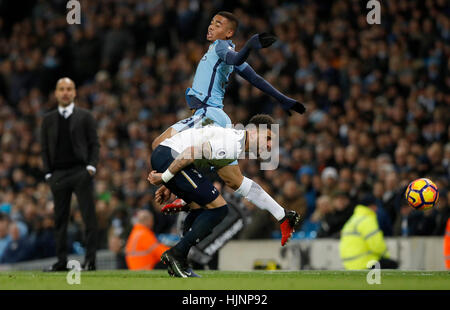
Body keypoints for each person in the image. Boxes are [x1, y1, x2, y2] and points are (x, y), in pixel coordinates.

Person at [151, 11, 305, 212]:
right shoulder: (223, 51)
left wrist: (250, 45)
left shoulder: (222, 48)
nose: (211, 26)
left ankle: (188, 195)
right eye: (212, 22)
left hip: (208, 114)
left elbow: (236, 59)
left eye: (218, 24)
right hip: (216, 117)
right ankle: (280, 214)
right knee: (232, 179)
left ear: (229, 32)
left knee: (159, 145)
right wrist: (284, 100)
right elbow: (256, 79)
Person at [148, 114, 300, 277]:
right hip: (169, 156)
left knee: (202, 208)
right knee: (219, 209)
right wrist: (164, 178)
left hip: (170, 157)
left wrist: (281, 215)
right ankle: (176, 255)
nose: (270, 145)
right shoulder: (232, 144)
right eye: (268, 138)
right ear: (253, 132)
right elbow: (190, 152)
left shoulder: (235, 144)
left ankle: (181, 259)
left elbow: (242, 185)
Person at [41, 77, 100, 271]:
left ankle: (90, 261)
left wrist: (91, 167)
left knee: (88, 217)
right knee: (60, 219)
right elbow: (44, 148)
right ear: (56, 93)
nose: (65, 92)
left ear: (74, 93)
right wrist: (48, 173)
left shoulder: (85, 116)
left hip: (80, 172)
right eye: (62, 89)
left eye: (69, 89)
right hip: (58, 175)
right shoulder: (48, 119)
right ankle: (61, 261)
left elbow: (94, 144)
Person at [339, 195, 398, 270]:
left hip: (349, 265)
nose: (377, 209)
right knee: (393, 265)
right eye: (376, 206)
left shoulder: (352, 219)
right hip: (365, 263)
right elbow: (376, 245)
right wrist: (386, 256)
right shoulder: (367, 220)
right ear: (372, 206)